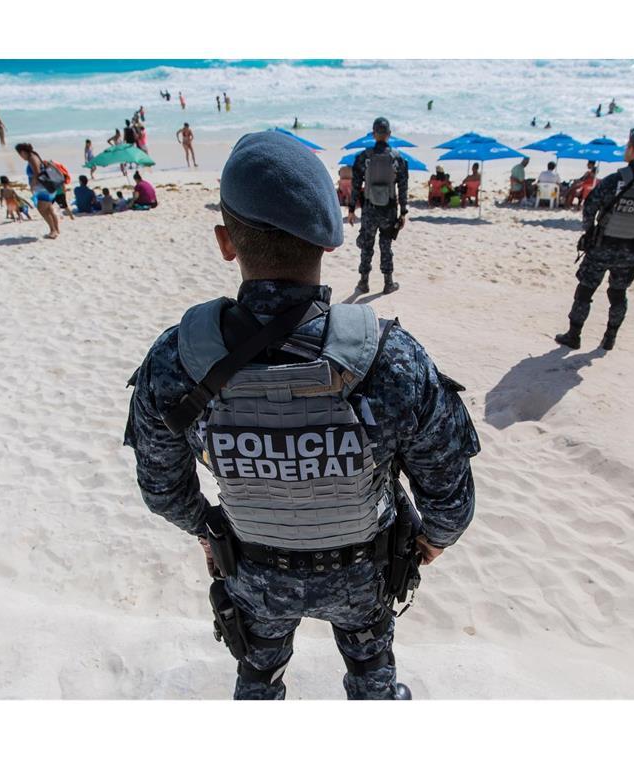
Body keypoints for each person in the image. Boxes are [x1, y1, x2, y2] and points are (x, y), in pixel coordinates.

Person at [124, 129, 479, 701]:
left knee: (258, 679)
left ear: (225, 242)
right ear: (333, 240)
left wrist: (208, 530)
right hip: (364, 575)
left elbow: (162, 488)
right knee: (372, 677)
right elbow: (450, 496)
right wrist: (432, 539)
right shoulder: (391, 357)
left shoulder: (177, 359)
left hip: (254, 574)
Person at [554, 127, 634, 352]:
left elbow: (590, 207)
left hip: (602, 247)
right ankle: (609, 338)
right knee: (617, 294)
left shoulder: (615, 180)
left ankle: (574, 335)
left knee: (585, 292)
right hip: (631, 248)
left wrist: (589, 232)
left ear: (632, 148)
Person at [348, 117, 409, 294]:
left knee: (367, 245)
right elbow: (403, 187)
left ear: (374, 134)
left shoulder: (363, 157)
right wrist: (403, 212)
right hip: (389, 209)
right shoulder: (398, 159)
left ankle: (363, 282)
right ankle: (388, 283)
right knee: (386, 246)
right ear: (389, 135)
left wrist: (351, 209)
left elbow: (355, 186)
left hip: (369, 208)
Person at [15, 142, 61, 239]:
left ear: (23, 152)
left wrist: (32, 185)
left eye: (19, 154)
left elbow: (37, 173)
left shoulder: (31, 158)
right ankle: (56, 229)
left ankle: (53, 230)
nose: (20, 157)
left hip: (43, 188)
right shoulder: (34, 155)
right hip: (47, 187)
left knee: (42, 209)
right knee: (49, 209)